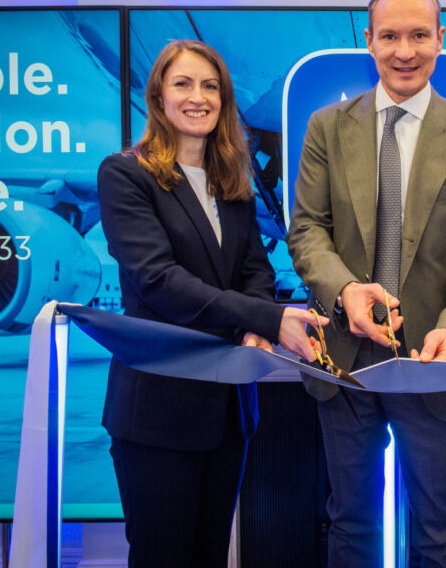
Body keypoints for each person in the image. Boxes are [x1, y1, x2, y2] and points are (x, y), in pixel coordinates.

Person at [286, 0, 446, 567]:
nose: (404, 51)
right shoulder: (326, 128)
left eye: (418, 35)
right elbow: (307, 230)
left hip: (433, 360)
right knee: (351, 521)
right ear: (369, 40)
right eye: (390, 37)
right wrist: (345, 291)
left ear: (440, 39)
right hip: (344, 359)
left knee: (442, 525)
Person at [97, 39, 324, 567]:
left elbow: (256, 272)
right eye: (183, 84)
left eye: (210, 86)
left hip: (227, 412)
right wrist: (268, 319)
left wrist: (257, 329)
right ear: (158, 95)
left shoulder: (231, 183)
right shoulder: (126, 174)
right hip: (157, 412)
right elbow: (159, 282)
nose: (198, 97)